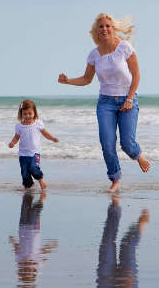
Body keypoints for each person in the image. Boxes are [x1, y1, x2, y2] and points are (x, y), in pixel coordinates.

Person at [58, 13, 150, 192]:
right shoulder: (94, 54)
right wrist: (68, 80)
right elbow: (86, 79)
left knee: (127, 144)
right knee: (107, 144)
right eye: (101, 26)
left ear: (113, 27)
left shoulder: (124, 47)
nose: (105, 28)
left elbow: (136, 75)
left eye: (108, 25)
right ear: (96, 31)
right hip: (105, 103)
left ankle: (138, 155)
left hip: (127, 100)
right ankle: (115, 178)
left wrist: (130, 99)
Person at [8, 99, 59, 190]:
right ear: (21, 114)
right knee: (24, 173)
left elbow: (45, 133)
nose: (27, 116)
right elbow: (16, 137)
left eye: (30, 113)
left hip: (34, 153)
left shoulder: (38, 123)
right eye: (25, 114)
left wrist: (52, 138)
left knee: (33, 168)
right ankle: (28, 187)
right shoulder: (19, 126)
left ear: (34, 113)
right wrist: (12, 143)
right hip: (23, 154)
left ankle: (41, 180)